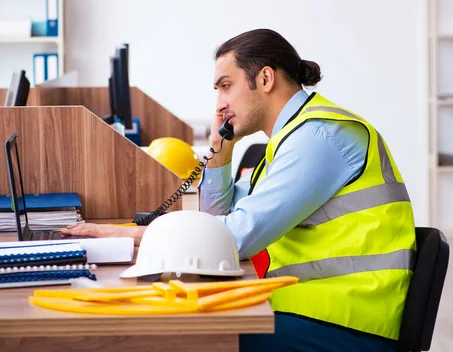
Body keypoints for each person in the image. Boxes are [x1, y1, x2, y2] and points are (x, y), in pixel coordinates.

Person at [62, 29, 416, 352]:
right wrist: (221, 149)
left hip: (347, 323)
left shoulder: (318, 138)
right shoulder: (292, 139)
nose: (218, 104)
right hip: (309, 307)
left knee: (187, 337)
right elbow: (219, 223)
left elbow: (234, 237)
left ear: (264, 78)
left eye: (226, 85)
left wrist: (130, 235)